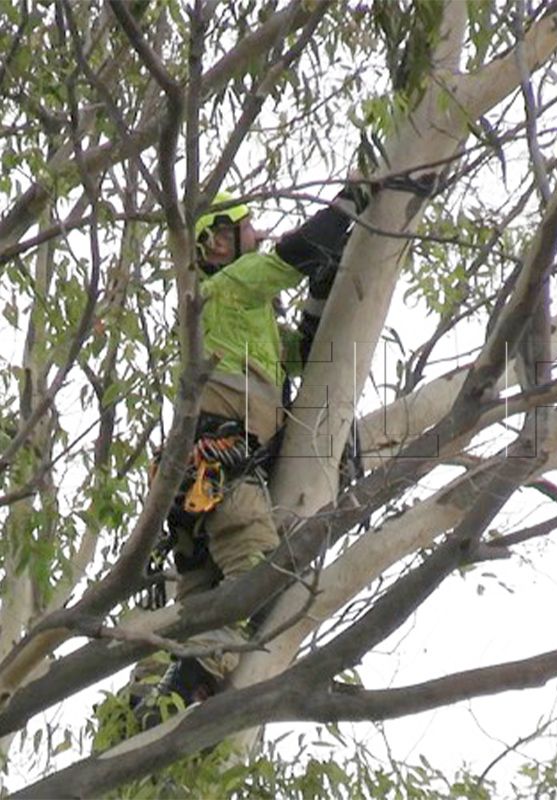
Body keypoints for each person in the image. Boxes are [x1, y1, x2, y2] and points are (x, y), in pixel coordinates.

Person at [133, 182, 370, 723]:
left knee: (197, 603)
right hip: (222, 474)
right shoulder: (223, 292)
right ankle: (183, 683)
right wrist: (356, 196)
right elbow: (294, 254)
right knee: (260, 578)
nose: (258, 235)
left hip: (205, 487)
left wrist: (326, 286)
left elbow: (307, 352)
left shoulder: (247, 325)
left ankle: (152, 696)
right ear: (217, 245)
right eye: (247, 228)